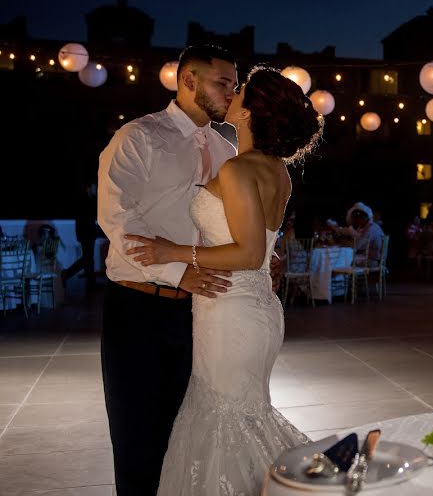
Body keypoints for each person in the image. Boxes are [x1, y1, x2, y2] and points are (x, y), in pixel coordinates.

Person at [124, 65, 324, 494]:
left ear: (250, 112)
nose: (232, 93)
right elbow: (260, 250)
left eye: (241, 90)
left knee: (226, 422)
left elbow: (250, 255)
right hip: (252, 310)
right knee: (241, 418)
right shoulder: (277, 170)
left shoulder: (240, 170)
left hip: (231, 310)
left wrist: (171, 251)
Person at [97, 44, 239, 495]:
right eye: (224, 84)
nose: (232, 95)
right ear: (189, 80)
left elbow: (226, 222)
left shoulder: (225, 148)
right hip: (137, 307)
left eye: (235, 86)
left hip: (199, 313)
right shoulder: (138, 137)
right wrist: (179, 273)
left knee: (186, 435)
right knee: (137, 437)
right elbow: (119, 222)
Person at [62, 181, 99, 290]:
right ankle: (67, 274)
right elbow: (88, 217)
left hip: (87, 233)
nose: (95, 189)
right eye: (93, 187)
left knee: (88, 258)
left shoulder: (87, 199)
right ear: (88, 188)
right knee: (87, 258)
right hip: (86, 233)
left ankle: (91, 283)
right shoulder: (85, 200)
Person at [331, 202, 385, 267]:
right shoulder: (369, 226)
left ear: (363, 218)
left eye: (356, 219)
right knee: (343, 259)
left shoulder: (371, 229)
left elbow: (356, 245)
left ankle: (342, 276)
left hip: (372, 261)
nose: (355, 222)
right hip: (369, 257)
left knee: (342, 260)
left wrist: (345, 242)